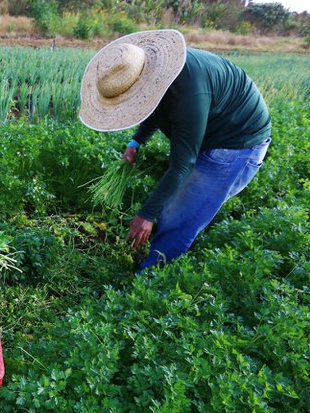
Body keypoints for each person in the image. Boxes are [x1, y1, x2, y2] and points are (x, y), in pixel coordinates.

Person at [79, 29, 271, 271]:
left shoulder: (187, 96)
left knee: (180, 215)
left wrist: (146, 215)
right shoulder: (155, 73)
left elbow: (182, 164)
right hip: (213, 127)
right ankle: (157, 255)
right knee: (171, 205)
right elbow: (149, 104)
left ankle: (150, 277)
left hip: (236, 144)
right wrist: (136, 142)